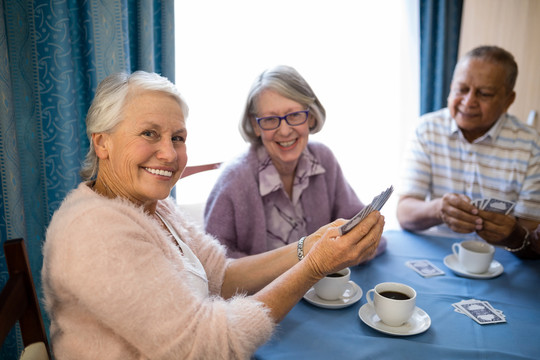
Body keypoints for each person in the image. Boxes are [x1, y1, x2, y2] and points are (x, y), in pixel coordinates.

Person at [41, 71, 385, 359]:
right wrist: (314, 266)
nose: (168, 153)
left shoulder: (154, 208)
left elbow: (221, 275)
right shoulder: (95, 232)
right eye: (149, 133)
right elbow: (206, 346)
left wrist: (307, 247)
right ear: (102, 143)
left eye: (177, 137)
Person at [204, 65, 387, 258]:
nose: (284, 131)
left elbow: (359, 223)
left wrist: (365, 239)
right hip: (261, 289)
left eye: (294, 116)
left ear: (311, 116)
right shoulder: (235, 179)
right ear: (255, 125)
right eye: (270, 119)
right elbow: (213, 266)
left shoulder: (323, 159)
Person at [397, 45, 540, 259]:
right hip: (434, 253)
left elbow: (531, 235)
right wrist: (439, 210)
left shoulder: (531, 144)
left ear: (508, 100)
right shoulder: (426, 129)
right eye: (461, 89)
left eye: (484, 94)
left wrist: (513, 235)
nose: (468, 101)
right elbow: (404, 213)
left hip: (502, 260)